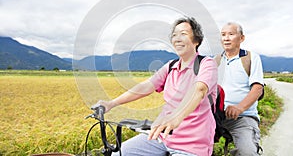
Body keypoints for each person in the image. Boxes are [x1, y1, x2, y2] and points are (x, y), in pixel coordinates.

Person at [92, 17, 218, 156]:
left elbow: (199, 90)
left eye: (183, 34)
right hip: (162, 137)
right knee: (119, 153)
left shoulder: (206, 64)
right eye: (174, 35)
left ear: (196, 40)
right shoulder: (171, 66)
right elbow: (146, 86)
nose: (177, 38)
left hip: (192, 144)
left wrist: (177, 116)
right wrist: (111, 103)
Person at [218, 22, 264, 156]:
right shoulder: (215, 60)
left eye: (231, 34)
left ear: (241, 38)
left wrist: (239, 108)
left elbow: (257, 88)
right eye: (223, 35)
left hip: (243, 117)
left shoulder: (251, 58)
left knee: (247, 152)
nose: (226, 38)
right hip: (216, 116)